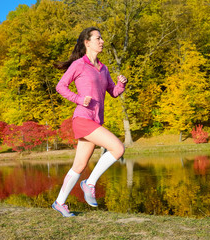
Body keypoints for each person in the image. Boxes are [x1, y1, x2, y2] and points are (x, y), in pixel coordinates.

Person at [52, 27, 128, 217]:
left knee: (79, 166)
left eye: (102, 38)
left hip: (95, 121)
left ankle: (59, 202)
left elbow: (113, 92)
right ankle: (90, 183)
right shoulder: (79, 64)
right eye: (98, 38)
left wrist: (121, 84)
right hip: (83, 118)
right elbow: (60, 86)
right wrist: (78, 99)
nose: (102, 41)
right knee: (118, 148)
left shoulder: (103, 68)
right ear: (87, 42)